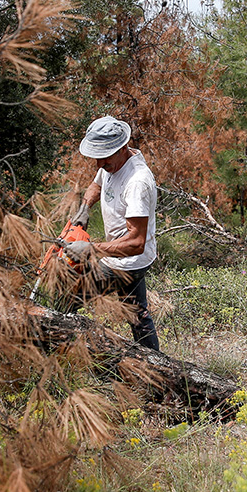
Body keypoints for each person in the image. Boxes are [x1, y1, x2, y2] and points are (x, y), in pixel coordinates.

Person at [63, 116, 160, 351]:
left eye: (104, 158)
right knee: (136, 314)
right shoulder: (112, 163)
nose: (99, 164)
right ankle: (156, 365)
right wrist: (85, 208)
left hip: (129, 260)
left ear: (123, 148)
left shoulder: (137, 182)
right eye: (97, 157)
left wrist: (91, 250)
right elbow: (97, 185)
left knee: (70, 297)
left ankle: (59, 346)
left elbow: (136, 242)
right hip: (121, 254)